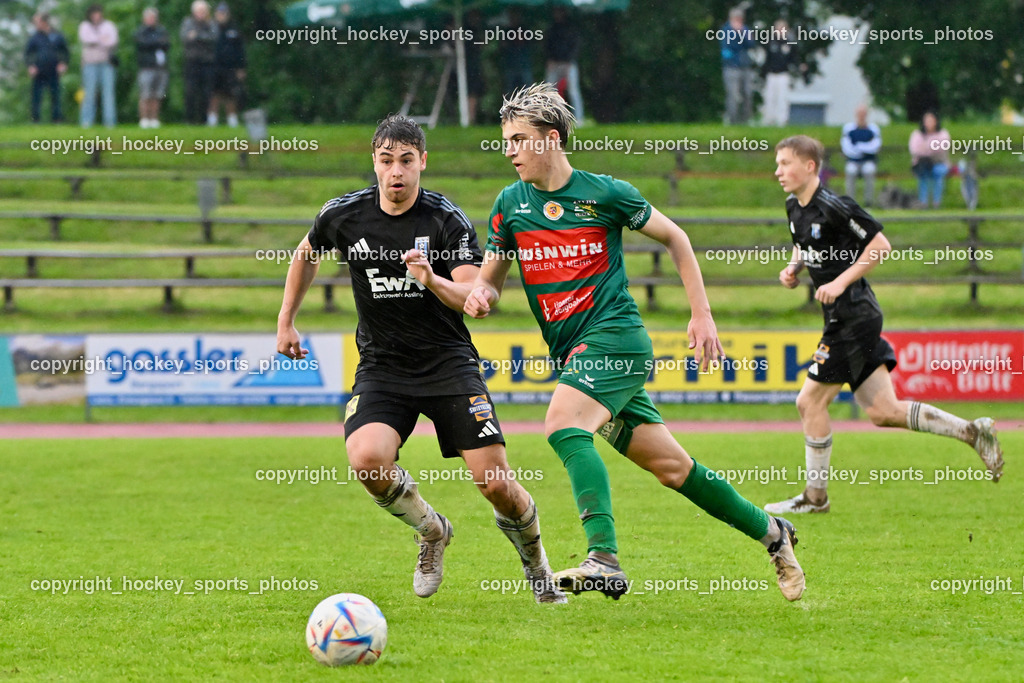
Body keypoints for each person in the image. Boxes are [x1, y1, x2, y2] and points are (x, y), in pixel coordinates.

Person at [465, 83, 805, 602]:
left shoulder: (606, 194)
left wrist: (702, 314)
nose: (508, 150)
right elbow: (491, 278)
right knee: (674, 470)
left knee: (563, 424)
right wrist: (481, 295)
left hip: (615, 340)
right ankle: (774, 534)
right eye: (505, 140)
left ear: (550, 139)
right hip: (578, 354)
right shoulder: (509, 205)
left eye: (517, 139)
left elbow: (677, 238)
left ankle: (603, 556)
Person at [276, 114, 565, 604]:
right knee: (367, 460)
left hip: (448, 363)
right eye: (387, 161)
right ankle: (432, 532)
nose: (396, 172)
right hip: (382, 368)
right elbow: (307, 253)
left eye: (406, 161)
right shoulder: (343, 215)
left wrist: (433, 279)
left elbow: (474, 291)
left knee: (495, 484)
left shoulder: (444, 220)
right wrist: (286, 321)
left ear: (422, 162)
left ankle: (537, 566)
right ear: (374, 162)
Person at [764, 135, 1003, 515]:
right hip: (850, 317)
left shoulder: (836, 206)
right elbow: (803, 243)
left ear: (809, 166)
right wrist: (794, 267)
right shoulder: (794, 206)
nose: (778, 171)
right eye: (776, 164)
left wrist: (840, 282)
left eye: (785, 163)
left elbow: (881, 246)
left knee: (808, 401)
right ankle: (972, 432)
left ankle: (815, 498)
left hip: (852, 316)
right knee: (884, 412)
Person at [24, 12, 69, 123]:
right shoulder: (34, 37)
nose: (36, 24)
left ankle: (57, 120)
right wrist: (30, 66)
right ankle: (36, 121)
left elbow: (65, 51)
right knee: (36, 98)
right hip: (39, 71)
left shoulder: (57, 35)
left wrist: (63, 63)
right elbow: (27, 53)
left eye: (37, 22)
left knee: (55, 97)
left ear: (44, 22)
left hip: (54, 70)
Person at [78, 4, 118, 128]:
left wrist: (96, 40)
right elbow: (87, 39)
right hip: (89, 64)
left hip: (106, 63)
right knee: (89, 94)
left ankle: (110, 122)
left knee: (108, 93)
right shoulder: (84, 26)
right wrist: (102, 39)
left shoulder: (109, 25)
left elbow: (112, 41)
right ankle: (86, 122)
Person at [180, 0, 218, 124]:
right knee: (190, 91)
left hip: (207, 62)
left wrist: (197, 36)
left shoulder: (211, 23)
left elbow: (214, 37)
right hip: (192, 62)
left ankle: (203, 119)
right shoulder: (188, 22)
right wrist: (202, 37)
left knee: (206, 92)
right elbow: (185, 37)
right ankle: (189, 119)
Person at [208, 2, 245, 127]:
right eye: (220, 13)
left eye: (224, 13)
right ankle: (212, 119)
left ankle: (232, 119)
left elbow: (240, 51)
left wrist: (241, 67)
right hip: (214, 66)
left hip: (230, 67)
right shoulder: (211, 29)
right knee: (214, 94)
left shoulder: (234, 30)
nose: (222, 15)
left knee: (231, 94)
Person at [544, 6, 583, 123]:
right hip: (554, 63)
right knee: (549, 91)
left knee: (573, 91)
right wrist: (550, 59)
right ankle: (549, 118)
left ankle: (579, 119)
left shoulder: (571, 29)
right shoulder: (552, 29)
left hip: (569, 63)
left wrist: (569, 61)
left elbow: (575, 46)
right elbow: (547, 46)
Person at [760, 19, 801, 126]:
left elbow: (794, 58)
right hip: (771, 73)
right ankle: (769, 119)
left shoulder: (789, 43)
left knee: (782, 98)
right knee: (770, 97)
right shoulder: (770, 42)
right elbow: (766, 59)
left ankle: (782, 119)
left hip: (783, 74)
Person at [134, 7, 170, 129]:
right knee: (145, 94)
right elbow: (143, 44)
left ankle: (154, 119)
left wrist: (153, 42)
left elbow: (166, 44)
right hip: (146, 67)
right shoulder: (141, 31)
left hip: (160, 66)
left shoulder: (161, 30)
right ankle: (144, 119)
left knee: (157, 94)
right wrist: (156, 42)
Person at [841, 104, 881, 207]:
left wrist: (859, 147)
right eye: (860, 114)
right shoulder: (849, 129)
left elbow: (875, 146)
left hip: (868, 161)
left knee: (869, 170)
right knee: (850, 170)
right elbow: (847, 148)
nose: (861, 116)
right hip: (853, 161)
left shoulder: (873, 129)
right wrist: (863, 150)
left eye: (863, 114)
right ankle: (850, 202)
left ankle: (868, 202)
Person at [908, 111, 951, 208]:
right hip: (922, 164)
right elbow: (915, 149)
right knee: (924, 175)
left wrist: (926, 148)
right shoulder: (917, 134)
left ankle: (936, 202)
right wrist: (931, 147)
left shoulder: (943, 134)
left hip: (938, 163)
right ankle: (923, 202)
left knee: (938, 173)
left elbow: (941, 148)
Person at [719, 7, 754, 125]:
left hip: (745, 66)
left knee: (747, 93)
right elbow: (727, 49)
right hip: (731, 67)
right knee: (733, 95)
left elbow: (751, 44)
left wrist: (742, 34)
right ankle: (732, 120)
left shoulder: (745, 30)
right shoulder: (726, 31)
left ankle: (745, 120)